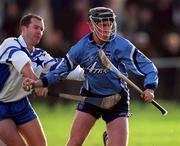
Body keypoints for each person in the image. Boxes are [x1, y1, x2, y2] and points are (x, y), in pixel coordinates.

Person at [22, 7, 158, 146]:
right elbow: (61, 71)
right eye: (102, 25)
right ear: (92, 25)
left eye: (109, 24)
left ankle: (109, 140)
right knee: (74, 142)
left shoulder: (121, 45)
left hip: (117, 99)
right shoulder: (80, 48)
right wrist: (39, 83)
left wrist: (150, 88)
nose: (107, 28)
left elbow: (148, 66)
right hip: (91, 98)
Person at [0, 13, 84, 146]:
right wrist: (38, 84)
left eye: (42, 29)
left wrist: (90, 73)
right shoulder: (10, 44)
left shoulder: (41, 55)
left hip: (21, 104)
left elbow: (63, 69)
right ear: (23, 29)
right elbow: (23, 64)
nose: (39, 31)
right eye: (36, 27)